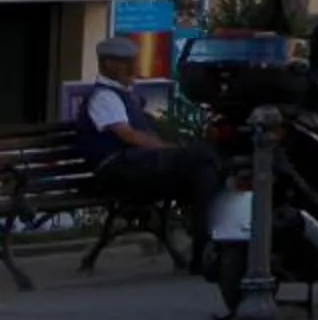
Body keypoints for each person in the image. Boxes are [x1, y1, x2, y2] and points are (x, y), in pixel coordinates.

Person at [72, 38, 215, 272]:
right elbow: (128, 135)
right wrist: (167, 149)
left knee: (204, 174)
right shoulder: (104, 97)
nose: (133, 68)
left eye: (132, 62)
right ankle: (203, 247)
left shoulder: (126, 95)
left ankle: (203, 248)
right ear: (109, 64)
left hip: (137, 165)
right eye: (126, 63)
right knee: (201, 156)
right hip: (118, 168)